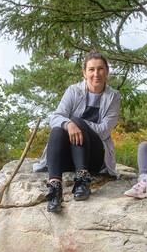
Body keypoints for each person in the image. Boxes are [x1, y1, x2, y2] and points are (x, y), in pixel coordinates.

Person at [39, 52, 121, 213]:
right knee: (59, 128)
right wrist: (68, 124)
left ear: (107, 71)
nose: (96, 74)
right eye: (91, 70)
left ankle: (83, 181)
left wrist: (78, 124)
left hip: (94, 159)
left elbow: (104, 131)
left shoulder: (114, 97)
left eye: (100, 69)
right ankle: (55, 189)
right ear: (84, 73)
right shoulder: (73, 91)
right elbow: (56, 117)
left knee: (74, 121)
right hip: (68, 159)